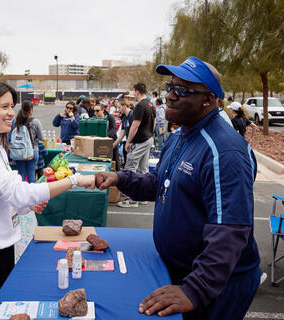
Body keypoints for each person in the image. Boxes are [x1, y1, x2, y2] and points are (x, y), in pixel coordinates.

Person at [95, 57, 261, 320]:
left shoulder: (224, 151)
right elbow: (161, 183)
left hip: (217, 284)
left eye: (182, 91)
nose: (170, 96)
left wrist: (195, 290)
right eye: (170, 87)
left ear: (208, 100)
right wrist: (120, 178)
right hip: (178, 269)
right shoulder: (179, 135)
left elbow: (231, 231)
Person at [0, 80, 95, 319]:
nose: (10, 113)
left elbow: (5, 198)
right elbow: (17, 191)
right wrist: (74, 181)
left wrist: (26, 206)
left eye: (11, 106)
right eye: (4, 106)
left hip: (1, 249)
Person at [124, 82, 156, 174]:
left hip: (140, 141)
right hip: (148, 139)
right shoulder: (151, 105)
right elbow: (154, 123)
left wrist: (128, 141)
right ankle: (144, 187)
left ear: (137, 92)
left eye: (134, 92)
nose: (134, 94)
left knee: (130, 167)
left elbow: (135, 125)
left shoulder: (140, 105)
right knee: (143, 169)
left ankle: (128, 188)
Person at [13, 101, 43, 183]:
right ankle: (31, 194)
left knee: (21, 174)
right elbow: (41, 137)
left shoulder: (16, 121)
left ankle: (20, 193)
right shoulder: (36, 121)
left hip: (19, 151)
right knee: (31, 174)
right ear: (31, 110)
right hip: (33, 151)